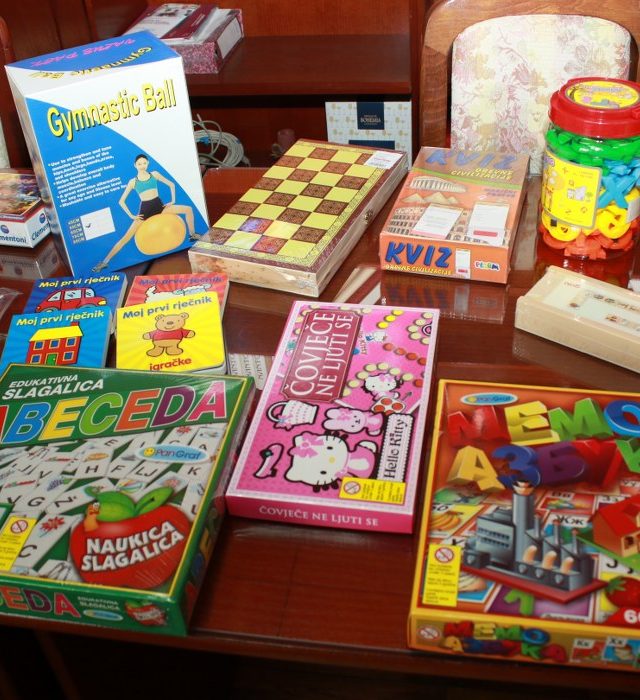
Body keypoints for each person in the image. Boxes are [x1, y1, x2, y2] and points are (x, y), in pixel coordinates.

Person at [92, 154, 197, 271]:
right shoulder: (133, 182)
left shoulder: (155, 174)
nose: (142, 166)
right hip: (145, 212)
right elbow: (121, 201)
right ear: (135, 165)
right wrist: (132, 216)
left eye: (144, 163)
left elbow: (171, 184)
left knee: (188, 209)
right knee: (125, 238)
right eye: (139, 164)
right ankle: (104, 262)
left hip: (160, 207)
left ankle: (192, 235)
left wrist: (173, 200)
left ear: (148, 163)